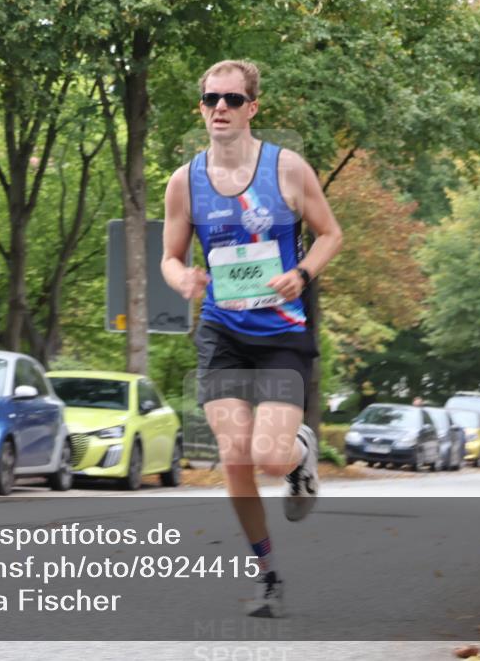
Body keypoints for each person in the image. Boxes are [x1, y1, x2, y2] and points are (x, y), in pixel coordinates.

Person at [161, 59, 343, 618]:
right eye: (211, 98)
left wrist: (303, 273)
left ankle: (300, 455)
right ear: (201, 107)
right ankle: (268, 576)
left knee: (268, 458)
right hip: (222, 331)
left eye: (233, 99)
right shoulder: (184, 181)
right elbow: (169, 257)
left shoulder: (287, 170)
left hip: (281, 332)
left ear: (252, 108)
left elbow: (331, 234)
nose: (221, 107)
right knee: (233, 455)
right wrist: (184, 279)